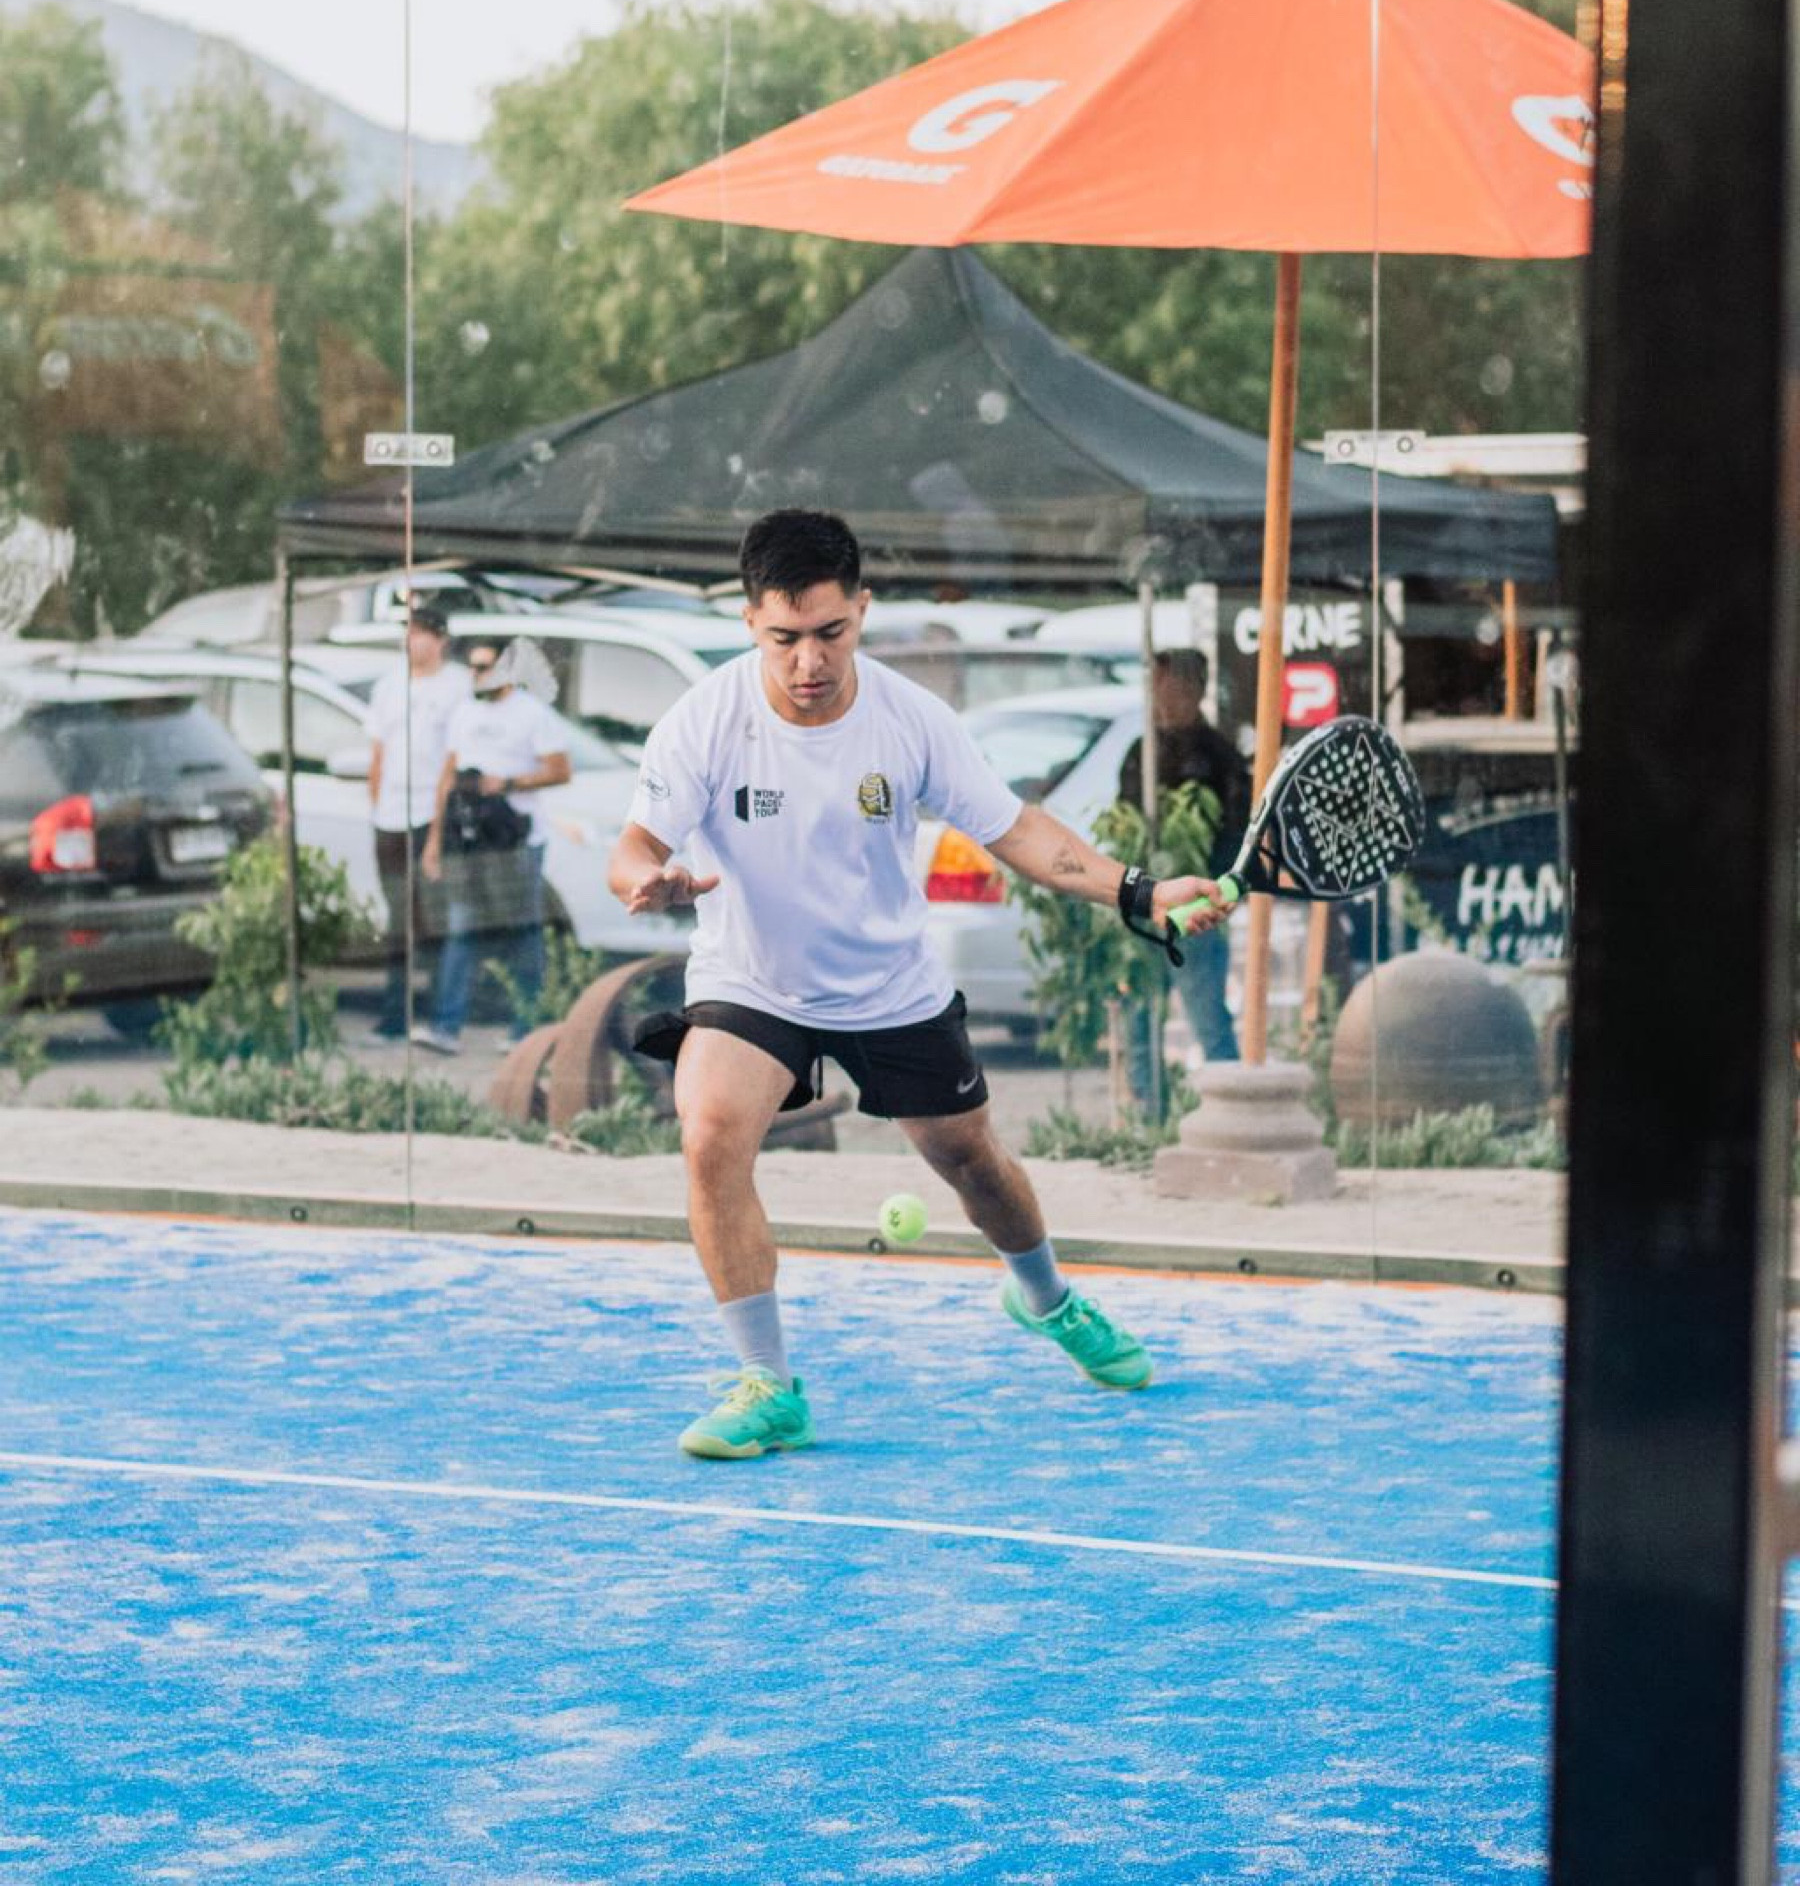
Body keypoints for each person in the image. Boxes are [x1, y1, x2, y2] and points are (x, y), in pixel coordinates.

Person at [607, 508, 1229, 1460]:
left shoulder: (911, 720)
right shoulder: (705, 719)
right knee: (709, 1136)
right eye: (785, 638)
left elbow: (1017, 830)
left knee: (973, 1162)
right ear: (750, 622)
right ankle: (769, 1385)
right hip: (753, 982)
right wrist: (647, 881)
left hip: (889, 985)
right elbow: (634, 846)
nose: (809, 661)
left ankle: (1047, 1299)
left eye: (830, 633)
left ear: (862, 609)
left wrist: (1137, 892)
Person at [418, 636, 572, 1053]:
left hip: (515, 839)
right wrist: (435, 840)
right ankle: (446, 1026)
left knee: (522, 932)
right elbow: (447, 778)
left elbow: (560, 770)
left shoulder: (532, 714)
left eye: (484, 666)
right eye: (472, 667)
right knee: (462, 928)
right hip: (471, 839)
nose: (475, 674)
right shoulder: (464, 713)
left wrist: (509, 783)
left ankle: (525, 1027)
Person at [1117, 649, 1251, 1102]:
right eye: (1156, 687)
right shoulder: (1142, 752)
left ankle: (1231, 1112)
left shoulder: (1219, 758)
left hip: (1196, 912)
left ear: (1194, 690)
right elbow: (1124, 824)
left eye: (1170, 686)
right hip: (1144, 907)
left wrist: (1211, 897)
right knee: (1139, 1022)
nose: (1161, 697)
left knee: (1208, 1019)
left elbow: (1236, 840)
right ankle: (1148, 1118)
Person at [364, 602, 471, 1039]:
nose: (412, 640)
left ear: (440, 639)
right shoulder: (388, 687)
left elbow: (454, 759)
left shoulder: (458, 686)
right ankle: (396, 1012)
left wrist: (438, 833)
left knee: (435, 918)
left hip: (431, 815)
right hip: (390, 815)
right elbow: (377, 753)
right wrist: (376, 806)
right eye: (408, 631)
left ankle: (440, 1013)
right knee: (398, 919)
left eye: (421, 632)